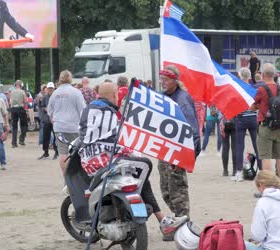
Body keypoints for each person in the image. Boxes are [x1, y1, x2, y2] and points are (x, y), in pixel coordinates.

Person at [78, 81, 188, 240]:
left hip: (91, 165)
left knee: (137, 173)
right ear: (115, 95)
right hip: (108, 163)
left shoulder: (86, 111)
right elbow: (119, 137)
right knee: (142, 175)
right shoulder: (110, 114)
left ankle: (158, 219)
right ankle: (162, 220)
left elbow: (85, 135)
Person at [157, 65, 201, 239]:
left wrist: (186, 158)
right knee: (166, 190)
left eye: (166, 80)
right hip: (163, 151)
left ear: (175, 81)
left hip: (177, 153)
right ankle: (178, 223)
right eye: (161, 79)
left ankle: (184, 230)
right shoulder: (161, 97)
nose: (163, 82)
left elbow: (193, 131)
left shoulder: (182, 100)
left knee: (178, 193)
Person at [250, 63, 280, 185]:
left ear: (263, 75)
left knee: (266, 157)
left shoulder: (261, 89)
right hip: (279, 126)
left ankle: (269, 185)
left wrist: (258, 106)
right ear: (274, 75)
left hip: (265, 127)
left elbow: (252, 107)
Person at [47, 70, 86, 174]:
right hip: (74, 127)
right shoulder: (76, 92)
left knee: (63, 152)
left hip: (59, 127)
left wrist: (54, 121)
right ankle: (76, 176)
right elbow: (83, 110)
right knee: (77, 152)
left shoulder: (55, 93)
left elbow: (49, 111)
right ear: (70, 78)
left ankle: (66, 177)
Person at [231, 67, 260, 182]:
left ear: (240, 76)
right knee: (257, 146)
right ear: (249, 76)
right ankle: (261, 171)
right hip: (253, 118)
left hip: (241, 119)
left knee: (239, 146)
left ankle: (239, 173)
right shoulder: (253, 88)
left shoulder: (238, 89)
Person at [38, 82, 58, 160]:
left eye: (51, 88)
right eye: (49, 88)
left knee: (56, 137)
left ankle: (57, 152)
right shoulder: (45, 97)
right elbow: (42, 106)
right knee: (46, 137)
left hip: (55, 120)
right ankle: (46, 153)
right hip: (46, 120)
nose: (50, 90)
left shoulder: (57, 97)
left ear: (54, 89)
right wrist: (45, 109)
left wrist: (52, 110)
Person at [9, 80, 28, 147]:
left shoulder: (12, 92)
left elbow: (10, 101)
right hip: (20, 108)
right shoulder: (22, 92)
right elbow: (25, 101)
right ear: (21, 85)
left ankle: (14, 143)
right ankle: (21, 139)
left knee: (14, 126)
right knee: (24, 124)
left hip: (13, 109)